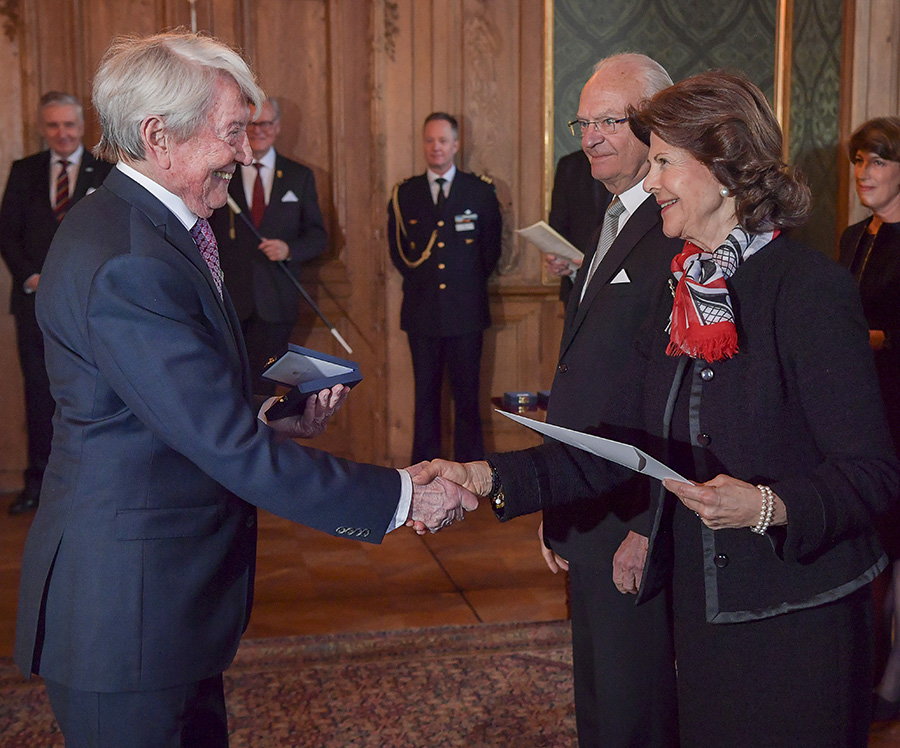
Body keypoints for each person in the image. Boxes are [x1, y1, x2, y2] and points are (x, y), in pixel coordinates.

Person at [13, 31, 475, 748]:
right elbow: (220, 446)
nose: (245, 152)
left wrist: (268, 417)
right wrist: (403, 497)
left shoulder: (148, 227)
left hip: (163, 606)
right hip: (127, 614)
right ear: (158, 137)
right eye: (232, 133)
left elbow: (166, 406)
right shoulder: (130, 260)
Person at [416, 72, 900, 747]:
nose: (655, 179)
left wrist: (768, 507)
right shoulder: (686, 285)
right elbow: (616, 448)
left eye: (667, 161)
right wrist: (483, 477)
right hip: (702, 621)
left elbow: (873, 475)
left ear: (724, 166)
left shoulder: (810, 290)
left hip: (800, 625)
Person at [538, 55, 681, 748]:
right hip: (589, 503)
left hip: (633, 512)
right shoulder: (610, 213)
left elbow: (674, 395)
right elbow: (581, 370)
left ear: (654, 125)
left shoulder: (674, 225)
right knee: (597, 697)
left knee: (635, 706)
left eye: (608, 121)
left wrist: (651, 523)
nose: (590, 136)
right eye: (584, 121)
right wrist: (557, 499)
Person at [0, 92, 112, 515]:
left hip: (91, 306)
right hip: (33, 305)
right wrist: (31, 276)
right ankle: (39, 484)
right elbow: (6, 232)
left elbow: (111, 235)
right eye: (53, 126)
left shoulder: (106, 171)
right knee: (39, 394)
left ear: (83, 127)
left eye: (69, 125)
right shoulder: (24, 171)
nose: (62, 133)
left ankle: (91, 483)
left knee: (93, 393)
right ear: (42, 128)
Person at [388, 112, 502, 464]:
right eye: (429, 140)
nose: (436, 147)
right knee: (426, 398)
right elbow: (398, 252)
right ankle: (424, 471)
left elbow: (490, 251)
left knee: (468, 398)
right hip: (422, 313)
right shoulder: (405, 193)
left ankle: (471, 470)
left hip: (466, 312)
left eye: (443, 140)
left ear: (455, 144)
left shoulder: (479, 191)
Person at [838, 115, 900, 722]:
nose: (863, 173)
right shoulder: (854, 238)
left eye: (877, 161)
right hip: (860, 410)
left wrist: (866, 338)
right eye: (859, 161)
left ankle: (892, 681)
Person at [209, 96, 328, 395]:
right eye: (251, 124)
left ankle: (266, 441)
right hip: (231, 302)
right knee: (232, 389)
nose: (259, 130)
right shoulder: (222, 173)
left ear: (277, 127)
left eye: (266, 123)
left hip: (276, 302)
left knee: (267, 391)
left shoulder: (299, 176)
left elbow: (318, 236)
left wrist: (289, 250)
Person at [547, 148, 604, 306]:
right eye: (584, 124)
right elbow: (558, 223)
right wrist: (560, 259)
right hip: (575, 286)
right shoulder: (570, 165)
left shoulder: (639, 166)